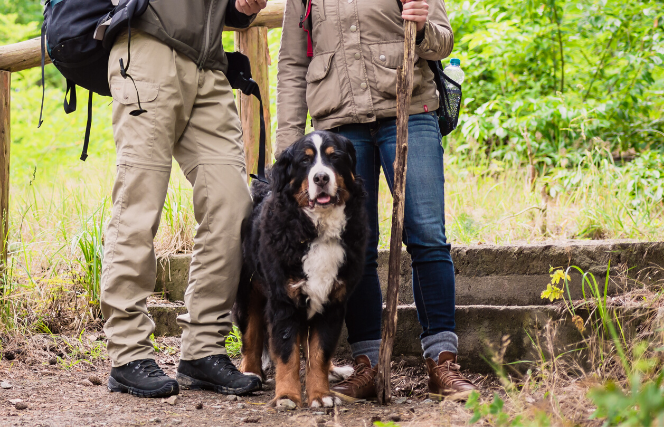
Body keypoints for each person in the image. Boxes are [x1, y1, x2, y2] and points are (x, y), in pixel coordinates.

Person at [274, 0, 479, 401]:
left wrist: (421, 28)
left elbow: (444, 40)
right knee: (355, 248)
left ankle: (442, 362)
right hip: (337, 125)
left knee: (426, 234)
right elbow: (292, 65)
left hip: (409, 109)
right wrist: (288, 149)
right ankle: (366, 364)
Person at [100, 0, 269, 398]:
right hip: (148, 51)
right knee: (139, 203)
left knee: (233, 204)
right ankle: (127, 353)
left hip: (209, 64)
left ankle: (203, 348)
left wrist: (239, 7)